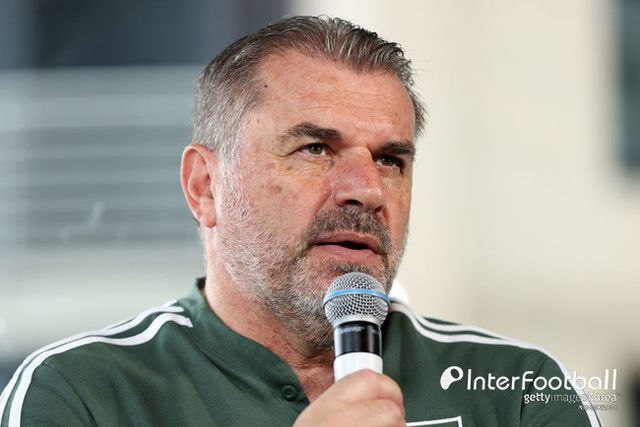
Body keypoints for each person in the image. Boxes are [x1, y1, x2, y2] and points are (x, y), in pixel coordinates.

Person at [1, 16, 600, 426]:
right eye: (315, 149)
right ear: (205, 187)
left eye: (390, 160)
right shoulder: (82, 393)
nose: (367, 190)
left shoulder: (517, 390)